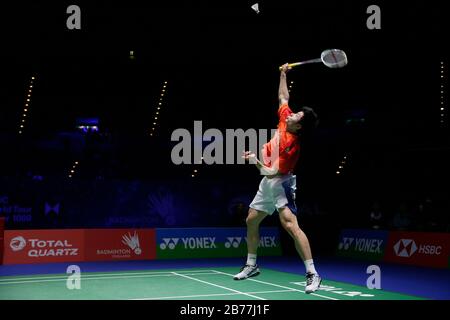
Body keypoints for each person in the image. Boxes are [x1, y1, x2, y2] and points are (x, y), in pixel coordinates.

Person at [233, 63, 321, 294]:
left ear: (299, 126)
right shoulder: (285, 120)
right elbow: (283, 97)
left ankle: (313, 273)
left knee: (290, 226)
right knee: (251, 220)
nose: (291, 113)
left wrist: (254, 160)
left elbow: (272, 172)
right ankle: (251, 265)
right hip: (268, 182)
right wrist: (283, 74)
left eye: (296, 115)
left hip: (281, 183)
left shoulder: (292, 146)